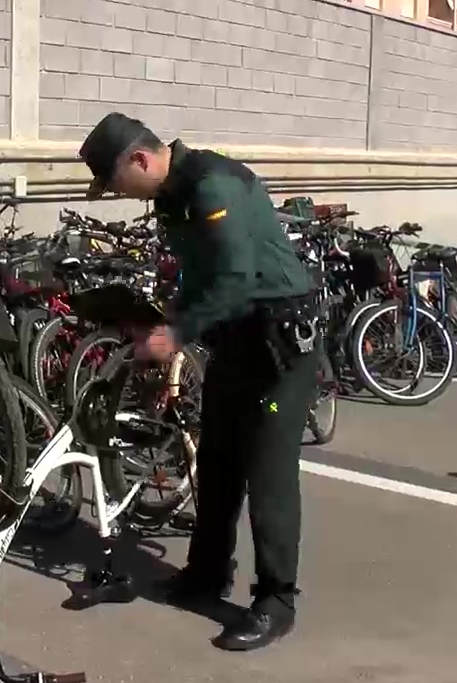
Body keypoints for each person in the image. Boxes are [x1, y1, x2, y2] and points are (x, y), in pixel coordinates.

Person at [77, 113, 320, 652]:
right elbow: (199, 277)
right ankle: (208, 573)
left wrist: (177, 332)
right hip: (234, 344)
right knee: (216, 462)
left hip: (279, 351)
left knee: (268, 471)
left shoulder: (212, 183)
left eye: (116, 183)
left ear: (139, 160)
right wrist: (164, 326)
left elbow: (236, 277)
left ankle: (277, 600)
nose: (119, 195)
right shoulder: (174, 196)